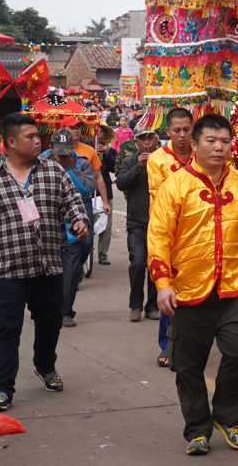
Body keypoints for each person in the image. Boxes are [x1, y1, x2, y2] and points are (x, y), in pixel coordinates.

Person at [148, 114, 238, 455]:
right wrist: (163, 283)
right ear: (194, 145)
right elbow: (157, 237)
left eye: (225, 141)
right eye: (211, 141)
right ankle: (197, 429)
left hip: (231, 286)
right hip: (187, 289)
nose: (218, 147)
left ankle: (227, 417)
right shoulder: (175, 185)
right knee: (187, 365)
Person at [0, 114, 89, 411]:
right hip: (7, 270)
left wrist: (79, 221)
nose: (38, 140)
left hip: (48, 266)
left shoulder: (53, 171)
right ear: (11, 142)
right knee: (6, 330)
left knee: (50, 323)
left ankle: (45, 366)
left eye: (38, 135)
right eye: (30, 136)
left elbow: (74, 203)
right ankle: (3, 387)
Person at [147, 108, 195, 367]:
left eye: (187, 129)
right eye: (176, 130)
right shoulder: (158, 159)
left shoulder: (202, 154)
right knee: (169, 290)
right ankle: (167, 345)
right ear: (167, 131)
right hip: (170, 233)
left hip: (200, 233)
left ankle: (191, 342)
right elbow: (158, 198)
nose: (182, 135)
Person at [41, 129, 97, 328]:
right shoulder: (40, 163)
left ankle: (66, 311)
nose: (64, 155)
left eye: (67, 151)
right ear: (51, 149)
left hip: (73, 223)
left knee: (71, 272)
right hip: (48, 227)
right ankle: (49, 308)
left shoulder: (81, 162)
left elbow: (87, 190)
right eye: (60, 152)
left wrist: (71, 169)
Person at [117, 128, 160, 323]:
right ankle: (135, 305)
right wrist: (139, 167)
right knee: (137, 263)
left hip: (159, 223)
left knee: (155, 266)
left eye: (150, 139)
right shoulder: (129, 161)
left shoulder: (163, 161)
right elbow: (121, 183)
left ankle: (153, 306)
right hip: (137, 222)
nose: (147, 143)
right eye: (143, 140)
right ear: (136, 142)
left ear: (156, 139)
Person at [96, 124, 117, 266]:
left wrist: (107, 154)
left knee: (106, 226)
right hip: (89, 192)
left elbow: (114, 168)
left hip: (106, 193)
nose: (98, 134)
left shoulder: (111, 150)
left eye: (101, 132)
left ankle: (103, 254)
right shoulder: (84, 148)